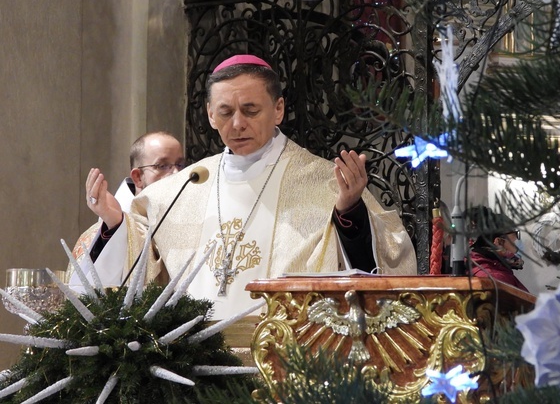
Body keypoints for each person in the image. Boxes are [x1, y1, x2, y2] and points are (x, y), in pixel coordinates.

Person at [87, 54, 417, 318]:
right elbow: (134, 275)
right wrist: (115, 224)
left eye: (250, 110)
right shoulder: (179, 190)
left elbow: (387, 271)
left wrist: (350, 214)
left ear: (278, 109)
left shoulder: (326, 183)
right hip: (193, 363)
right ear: (210, 115)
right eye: (225, 112)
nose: (237, 124)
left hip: (285, 361)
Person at [68, 131, 185, 289]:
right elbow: (87, 292)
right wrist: (116, 225)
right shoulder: (102, 230)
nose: (176, 174)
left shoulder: (189, 223)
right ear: (137, 177)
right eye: (162, 166)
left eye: (180, 165)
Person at [465, 206, 530, 292]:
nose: (518, 240)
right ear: (498, 242)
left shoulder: (491, 268)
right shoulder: (496, 278)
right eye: (515, 235)